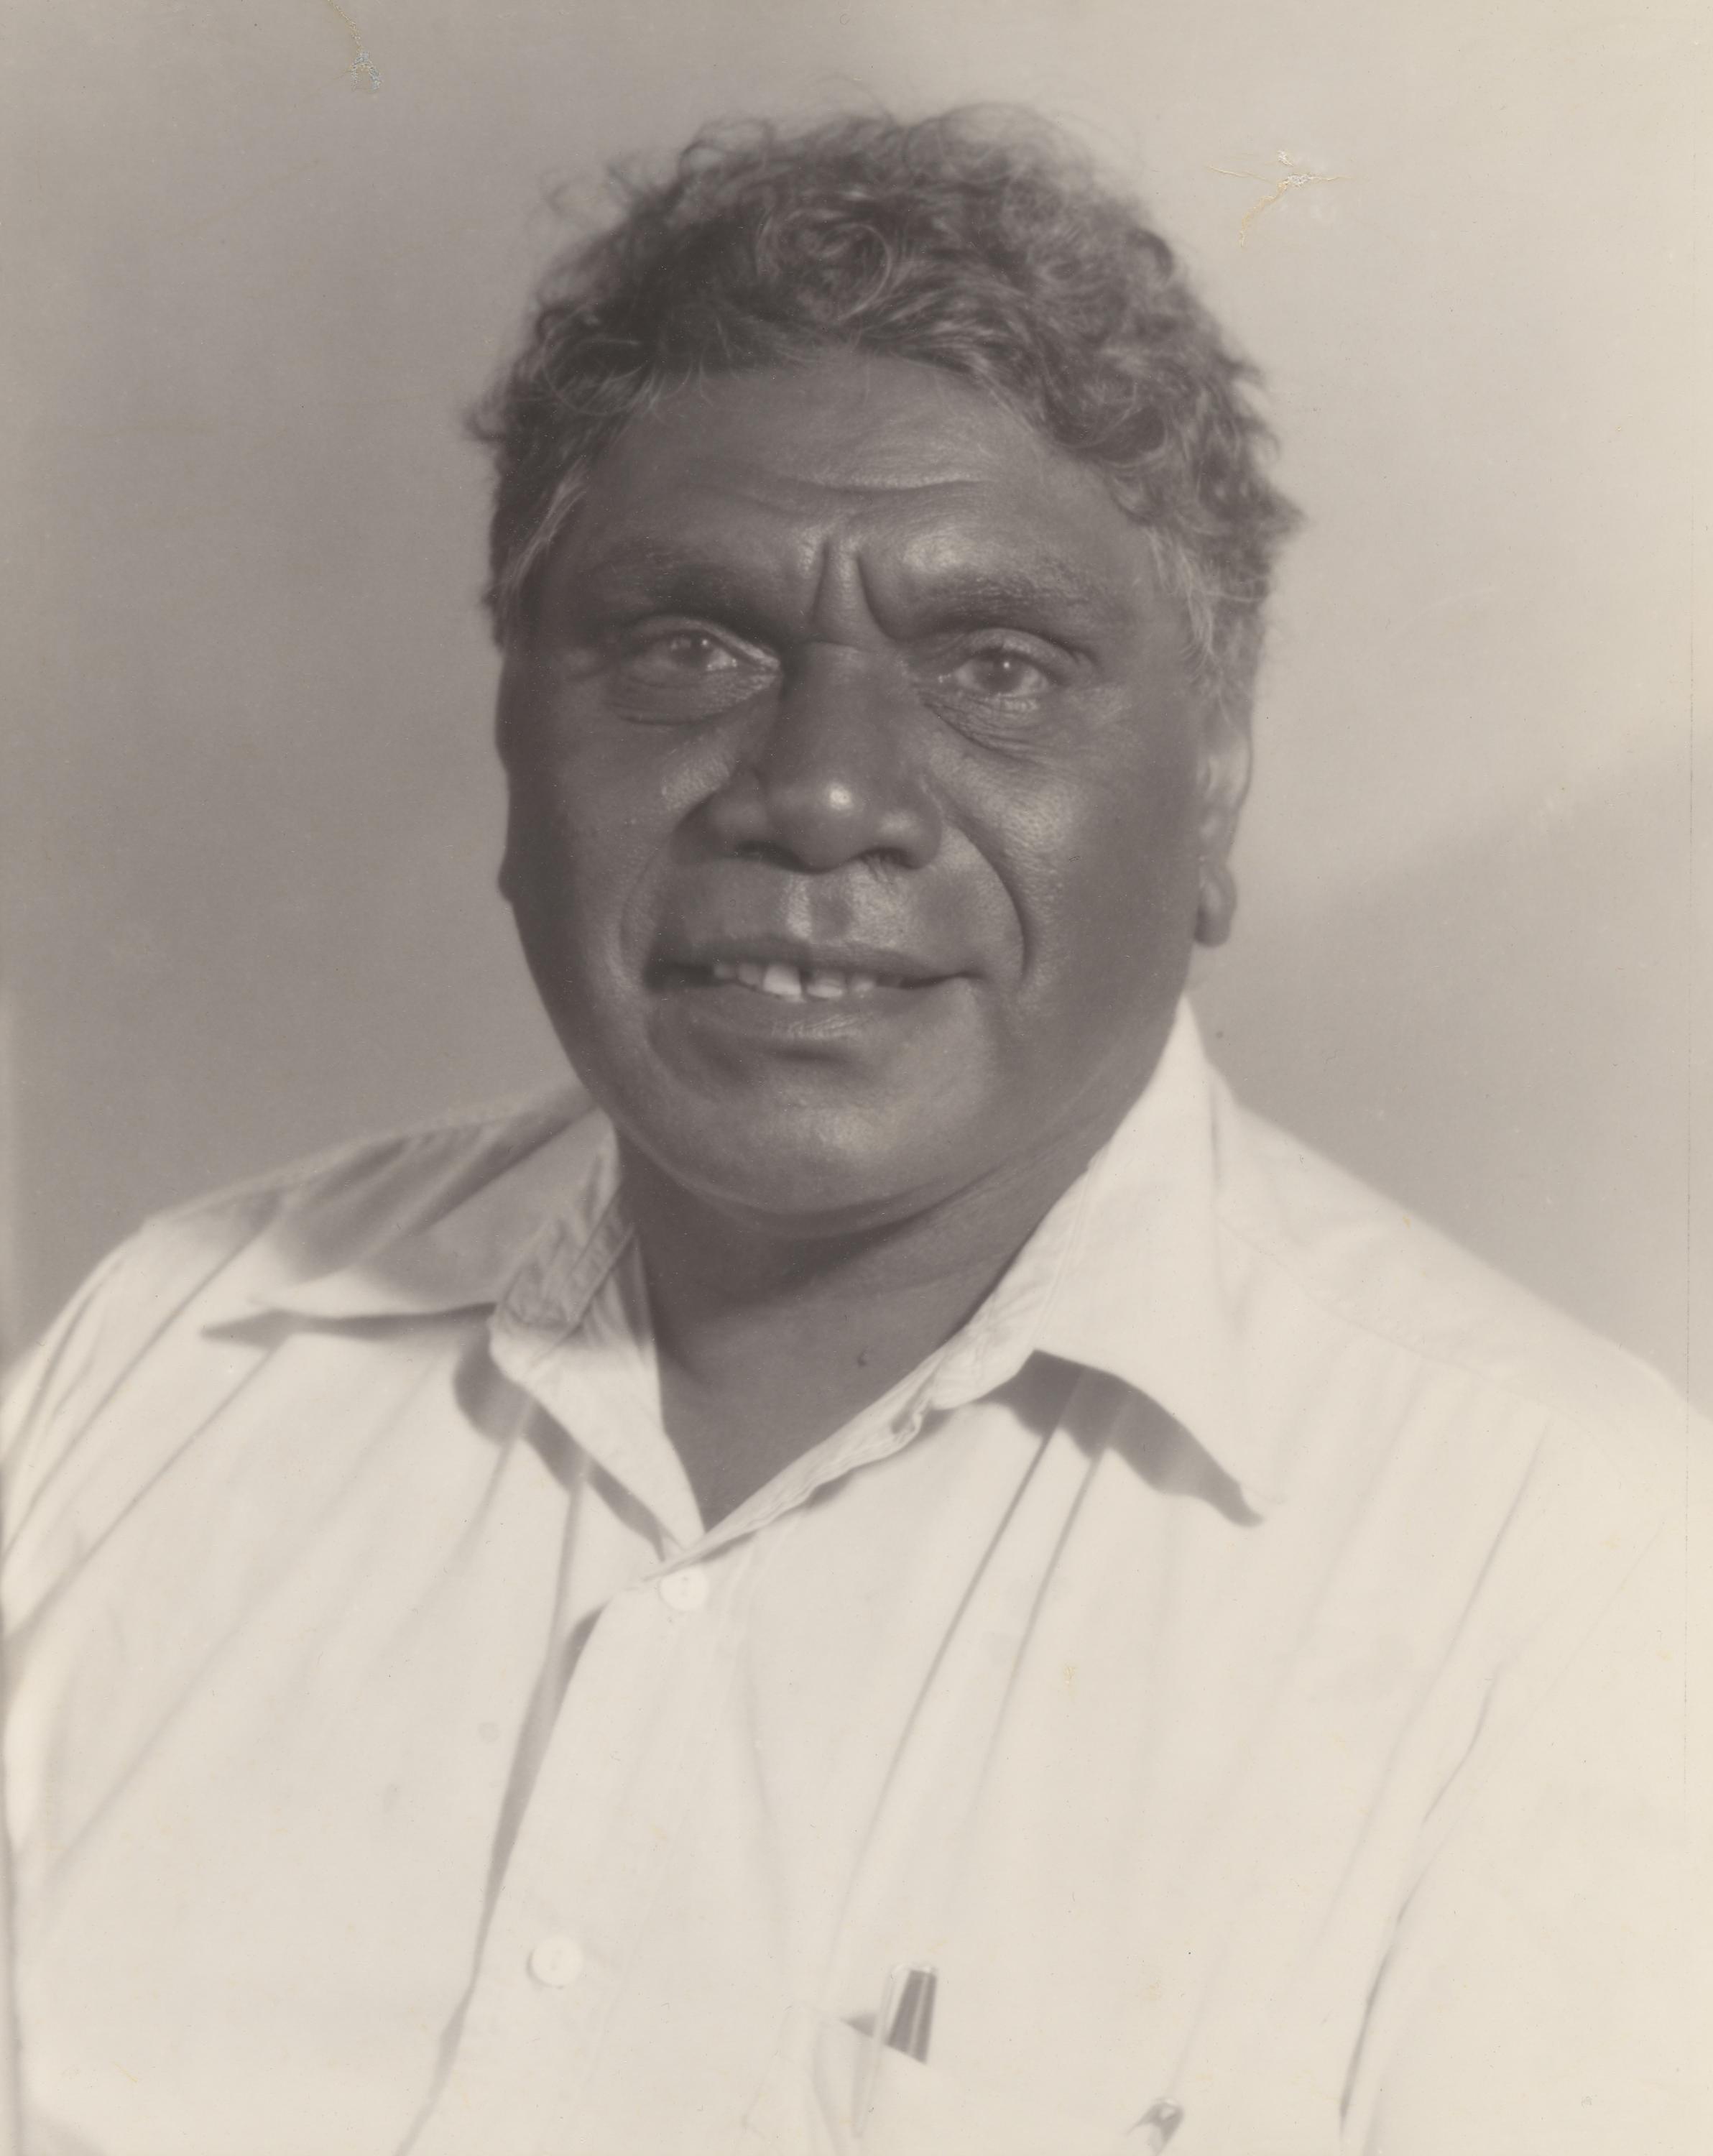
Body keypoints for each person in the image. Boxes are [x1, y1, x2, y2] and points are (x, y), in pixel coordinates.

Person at [1, 109, 1704, 2156]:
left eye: (995, 664)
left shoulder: (1573, 1575)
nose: (819, 796)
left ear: (1217, 784)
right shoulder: (159, 1370)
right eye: (692, 646)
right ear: (516, 737)